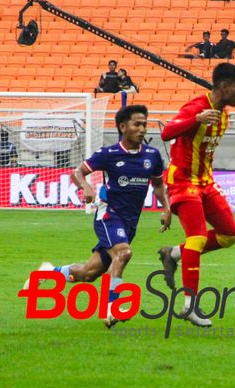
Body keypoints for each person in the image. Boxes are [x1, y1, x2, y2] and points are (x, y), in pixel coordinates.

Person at [31, 105, 172, 328]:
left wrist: (167, 207)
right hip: (109, 215)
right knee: (124, 253)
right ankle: (111, 307)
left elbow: (157, 184)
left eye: (144, 124)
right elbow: (77, 172)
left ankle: (50, 272)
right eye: (137, 124)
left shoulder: (152, 156)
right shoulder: (108, 154)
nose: (142, 129)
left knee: (89, 273)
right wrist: (86, 187)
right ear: (123, 127)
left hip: (130, 222)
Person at [158, 63, 235, 326]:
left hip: (206, 181)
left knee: (230, 235)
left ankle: (173, 253)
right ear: (224, 86)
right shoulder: (196, 108)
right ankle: (189, 305)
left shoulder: (223, 114)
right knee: (196, 238)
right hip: (183, 181)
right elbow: (166, 133)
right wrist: (195, 119)